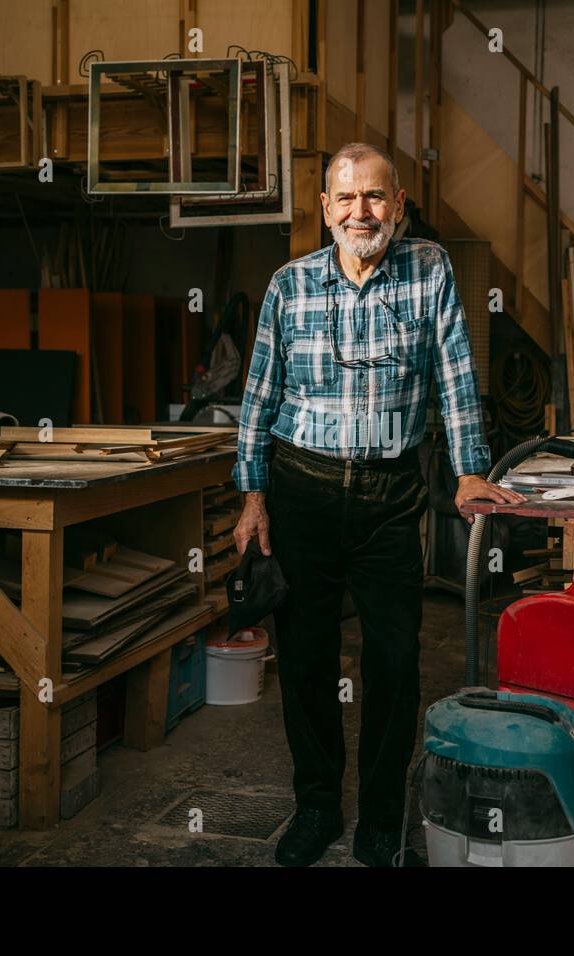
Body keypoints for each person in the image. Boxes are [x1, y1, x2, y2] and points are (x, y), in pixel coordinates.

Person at [231, 142, 524, 867]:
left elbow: (456, 371)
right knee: (305, 658)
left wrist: (467, 471)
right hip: (301, 490)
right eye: (345, 197)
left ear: (398, 205)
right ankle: (318, 807)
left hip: (391, 495)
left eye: (376, 197)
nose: (361, 210)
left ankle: (381, 818)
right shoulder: (288, 285)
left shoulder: (429, 271)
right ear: (325, 209)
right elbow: (258, 398)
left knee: (394, 660)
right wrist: (253, 497)